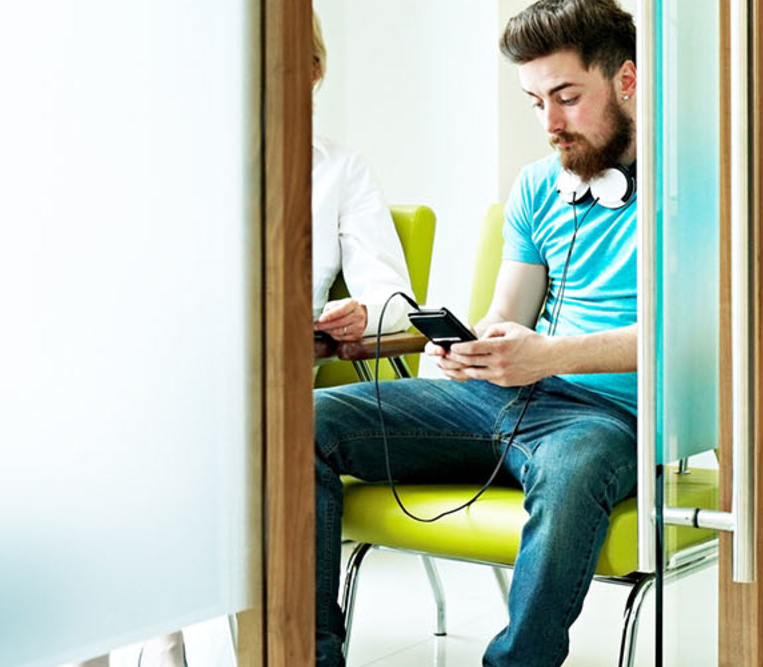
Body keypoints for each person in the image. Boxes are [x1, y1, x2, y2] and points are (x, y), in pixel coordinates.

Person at [312, 1, 640, 665]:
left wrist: (549, 355)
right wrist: (472, 345)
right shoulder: (535, 187)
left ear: (627, 82)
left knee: (572, 471)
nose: (550, 124)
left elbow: (692, 337)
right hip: (505, 396)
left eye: (567, 98)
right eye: (534, 102)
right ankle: (310, 652)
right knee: (303, 424)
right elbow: (508, 313)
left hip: (611, 413)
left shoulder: (693, 189)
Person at [130, 11, 414, 667]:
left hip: (269, 386)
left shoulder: (340, 170)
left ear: (312, 73)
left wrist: (356, 313)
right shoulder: (182, 167)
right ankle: (145, 638)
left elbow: (395, 301)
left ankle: (165, 641)